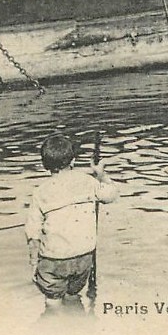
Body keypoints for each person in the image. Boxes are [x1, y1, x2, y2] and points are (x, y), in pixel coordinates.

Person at [25, 133, 118, 313]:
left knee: (53, 304)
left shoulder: (40, 192)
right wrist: (102, 175)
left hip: (54, 259)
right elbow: (112, 194)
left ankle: (58, 334)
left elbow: (33, 233)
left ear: (45, 164)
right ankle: (77, 329)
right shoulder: (88, 181)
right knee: (73, 296)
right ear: (73, 160)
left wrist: (33, 265)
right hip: (83, 257)